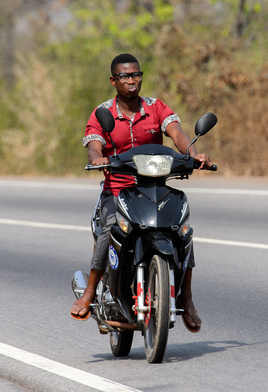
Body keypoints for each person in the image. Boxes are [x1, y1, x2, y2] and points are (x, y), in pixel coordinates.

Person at [70, 53, 211, 332]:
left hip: (154, 187)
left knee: (183, 229)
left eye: (136, 75)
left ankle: (187, 296)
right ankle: (90, 291)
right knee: (110, 228)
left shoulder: (155, 107)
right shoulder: (103, 112)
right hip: (118, 190)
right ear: (113, 81)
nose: (132, 80)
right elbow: (94, 143)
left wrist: (193, 154)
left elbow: (177, 133)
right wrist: (98, 157)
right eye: (125, 76)